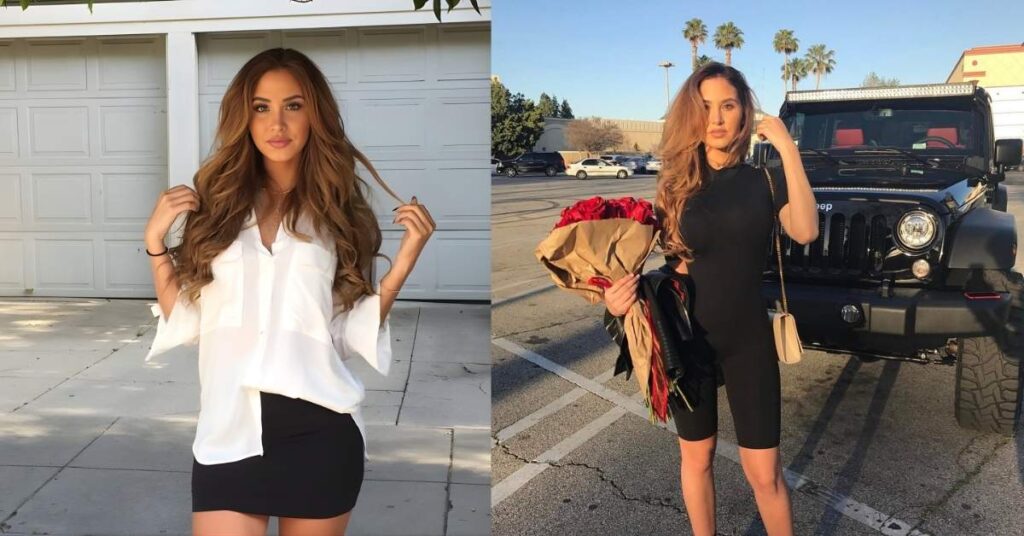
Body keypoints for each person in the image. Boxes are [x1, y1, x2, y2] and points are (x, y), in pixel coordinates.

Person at [141, 48, 435, 536]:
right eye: (261, 107)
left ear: (315, 114)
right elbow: (189, 322)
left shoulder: (341, 216)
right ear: (245, 118)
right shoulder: (216, 211)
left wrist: (402, 265)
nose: (277, 122)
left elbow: (342, 335)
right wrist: (155, 244)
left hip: (320, 433)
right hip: (228, 432)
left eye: (293, 105)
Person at [603, 62, 819, 535]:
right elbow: (667, 267)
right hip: (689, 339)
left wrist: (786, 148)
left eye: (727, 105)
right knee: (696, 458)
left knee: (764, 474)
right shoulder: (676, 187)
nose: (717, 118)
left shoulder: (765, 179)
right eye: (704, 108)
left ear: (744, 113)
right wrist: (619, 302)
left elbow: (804, 229)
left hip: (748, 341)